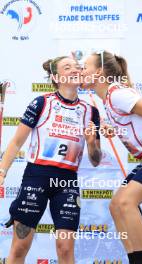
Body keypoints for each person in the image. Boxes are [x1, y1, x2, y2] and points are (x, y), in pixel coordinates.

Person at [0, 56, 102, 264]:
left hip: (67, 182)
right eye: (67, 67)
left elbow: (95, 160)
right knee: (20, 246)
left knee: (65, 248)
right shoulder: (42, 102)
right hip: (36, 177)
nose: (75, 69)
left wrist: (92, 143)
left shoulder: (91, 112)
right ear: (56, 77)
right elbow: (16, 143)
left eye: (77, 66)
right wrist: (2, 172)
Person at [81, 51, 142, 264]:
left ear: (99, 72)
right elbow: (133, 123)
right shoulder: (107, 99)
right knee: (115, 206)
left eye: (85, 66)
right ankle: (134, 258)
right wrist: (113, 129)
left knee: (126, 202)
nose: (81, 71)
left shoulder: (116, 93)